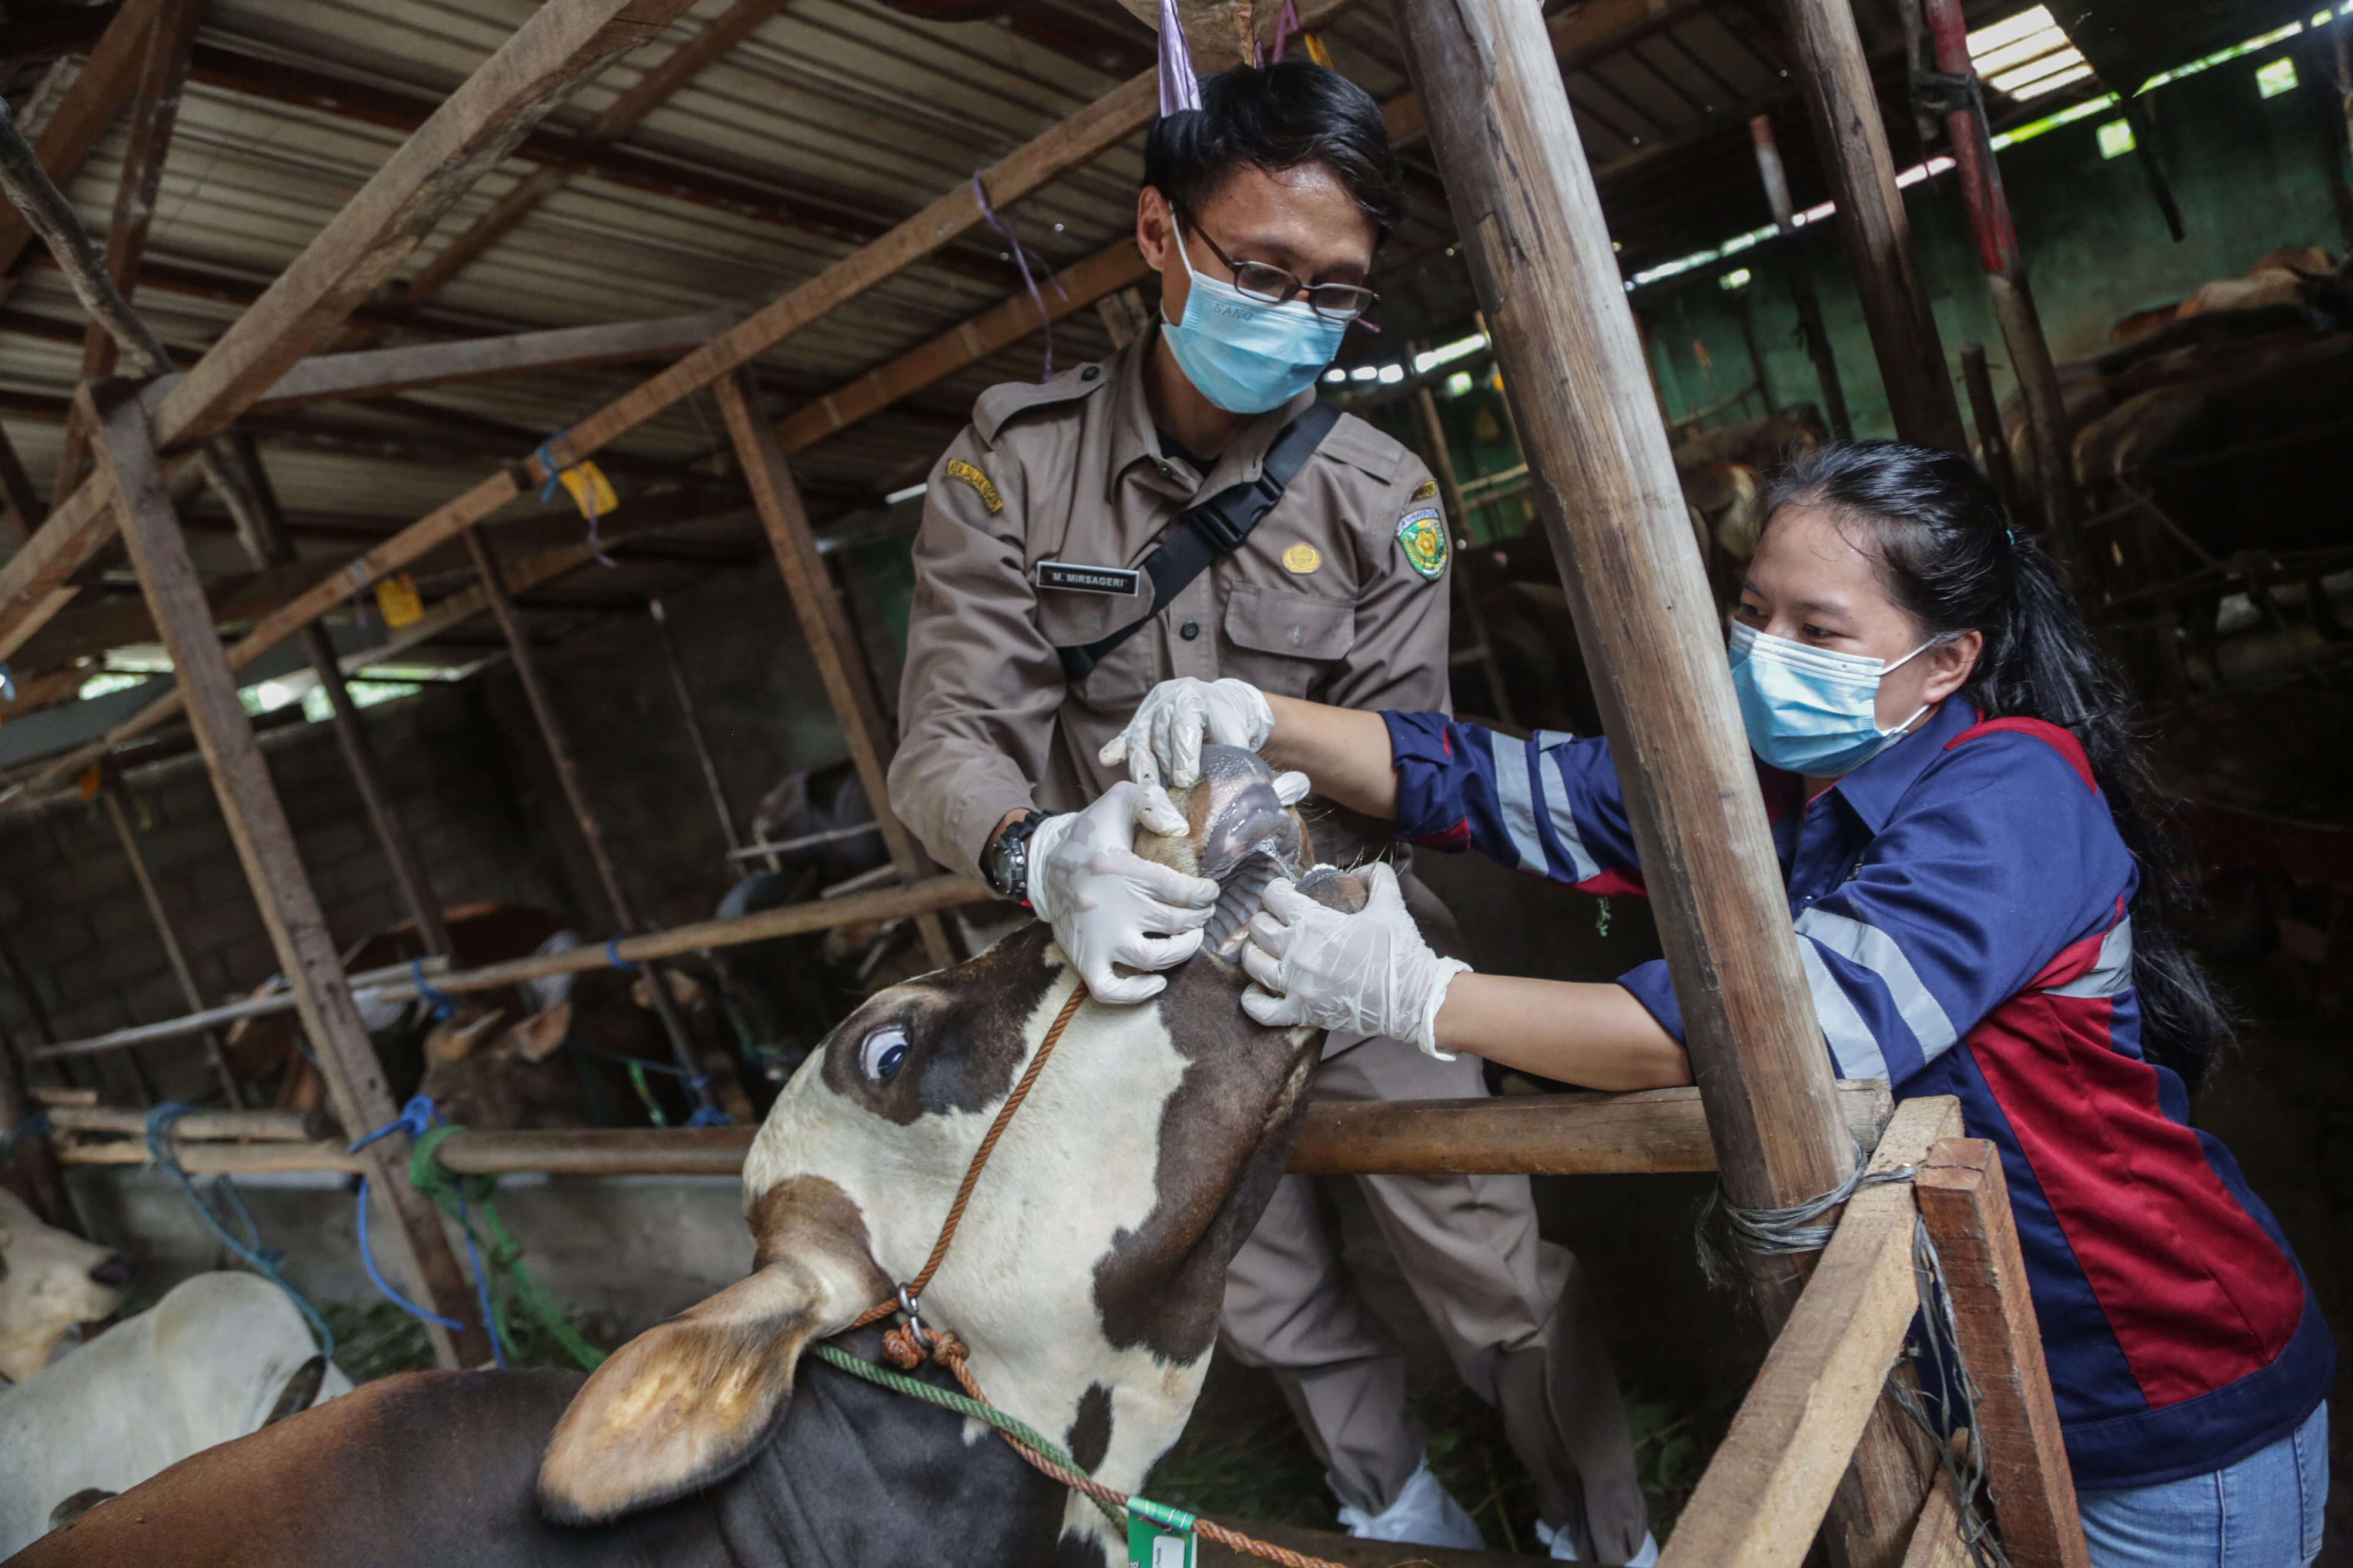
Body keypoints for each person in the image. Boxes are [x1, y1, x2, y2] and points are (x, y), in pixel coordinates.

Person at [1122, 441, 2329, 1566]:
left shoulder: (2008, 795)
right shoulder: (1779, 780)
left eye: (1818, 626)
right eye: (1754, 611)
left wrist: (1414, 996)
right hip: (1980, 1371)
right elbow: (1500, 782)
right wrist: (1259, 715)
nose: (1765, 647)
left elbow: (1745, 1036)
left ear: (1947, 661)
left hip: (2155, 1380)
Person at [889, 58, 1654, 1562]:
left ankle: (1605, 1530)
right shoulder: (1010, 468)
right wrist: (1042, 856)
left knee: (1492, 1268)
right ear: (1158, 238)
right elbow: (946, 740)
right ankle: (1400, 1516)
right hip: (1131, 975)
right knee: (1257, 1287)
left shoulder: (1381, 494)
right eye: (1262, 269)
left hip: (1344, 948)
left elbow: (1399, 764)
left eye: (1336, 290)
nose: (1295, 314)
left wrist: (1329, 926)